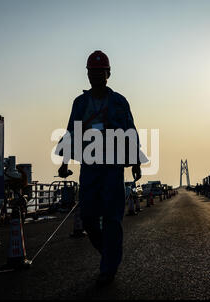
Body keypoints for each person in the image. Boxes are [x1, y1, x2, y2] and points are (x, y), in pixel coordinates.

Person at [56, 50, 145, 286]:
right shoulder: (81, 103)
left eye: (100, 72)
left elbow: (130, 131)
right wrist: (64, 163)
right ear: (87, 74)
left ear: (109, 74)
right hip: (90, 166)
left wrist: (135, 161)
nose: (96, 76)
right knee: (88, 218)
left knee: (113, 218)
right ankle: (109, 255)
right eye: (92, 72)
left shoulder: (119, 102)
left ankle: (108, 267)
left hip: (113, 167)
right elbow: (71, 132)